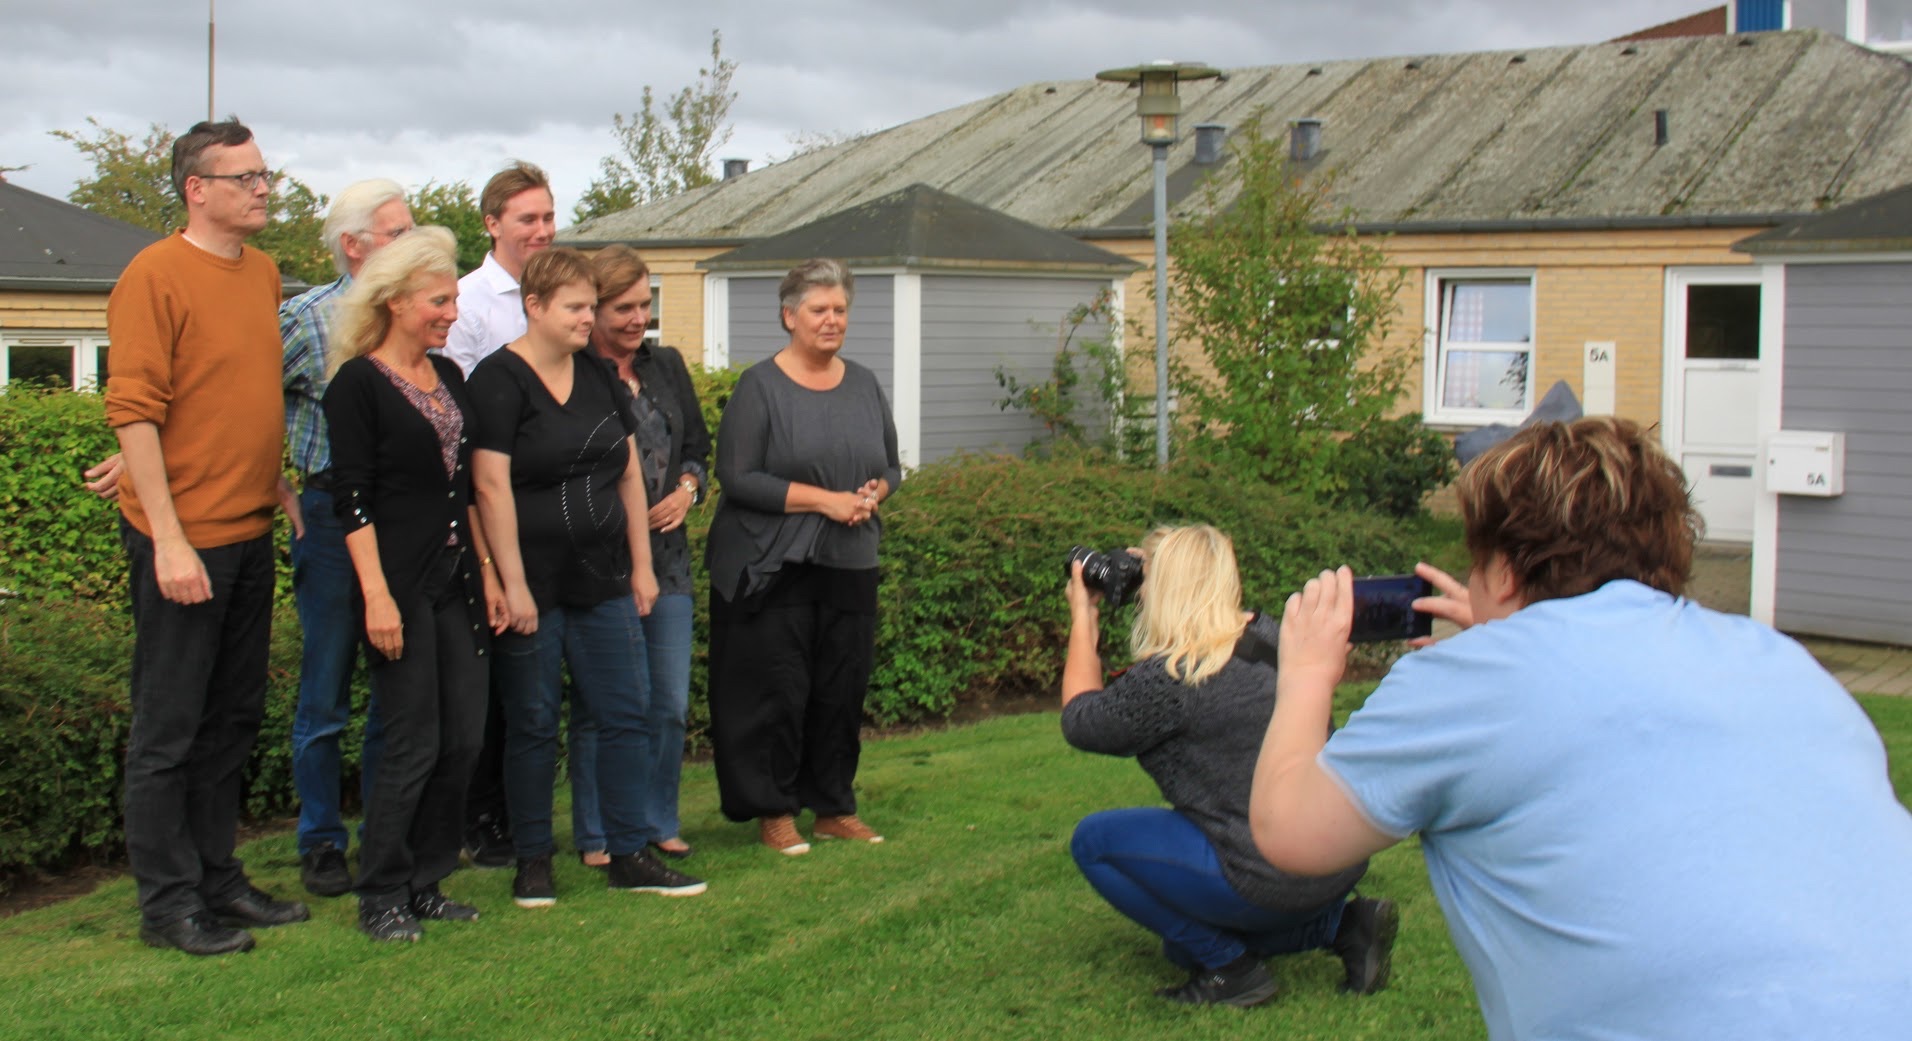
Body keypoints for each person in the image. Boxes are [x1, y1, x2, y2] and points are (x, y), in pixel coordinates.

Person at [1250, 417, 1912, 1040]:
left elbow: (1289, 832)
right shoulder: (1782, 661)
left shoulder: (1471, 678)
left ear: (1503, 571)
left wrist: (1306, 672)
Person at [103, 118, 308, 956]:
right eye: (245, 177)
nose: (263, 189)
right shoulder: (153, 275)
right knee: (169, 729)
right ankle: (169, 905)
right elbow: (135, 411)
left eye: (265, 175)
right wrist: (168, 539)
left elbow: (233, 397)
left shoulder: (261, 275)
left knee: (232, 719)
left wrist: (281, 487)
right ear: (197, 189)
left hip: (248, 531)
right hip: (181, 544)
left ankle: (220, 880)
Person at [1061, 525, 1391, 1008]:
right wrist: (1155, 561)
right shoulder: (1269, 634)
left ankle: (1232, 971)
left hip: (1267, 873)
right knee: (1177, 946)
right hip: (1333, 855)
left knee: (1095, 842)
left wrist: (1083, 613)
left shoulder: (1175, 677)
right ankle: (1344, 925)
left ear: (1166, 589)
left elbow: (1081, 719)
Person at [469, 248, 707, 907]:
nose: (587, 318)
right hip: (535, 584)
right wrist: (512, 584)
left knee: (627, 712)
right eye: (576, 307)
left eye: (588, 307)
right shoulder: (498, 380)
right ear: (535, 306)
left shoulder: (596, 375)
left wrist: (640, 567)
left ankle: (630, 852)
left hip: (604, 579)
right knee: (535, 721)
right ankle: (532, 861)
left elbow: (628, 471)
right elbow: (489, 485)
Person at [322, 226, 508, 941]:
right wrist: (375, 595)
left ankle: (427, 878)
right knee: (410, 740)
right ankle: (381, 890)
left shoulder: (451, 379)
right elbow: (354, 497)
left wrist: (488, 573)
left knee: (463, 736)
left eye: (454, 299)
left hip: (456, 578)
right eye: (438, 300)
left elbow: (462, 490)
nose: (451, 313)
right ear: (394, 301)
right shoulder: (358, 384)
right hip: (396, 582)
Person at [705, 258, 901, 855]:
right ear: (789, 316)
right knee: (776, 693)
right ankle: (775, 810)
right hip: (772, 563)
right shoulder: (759, 387)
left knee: (840, 689)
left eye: (840, 309)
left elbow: (891, 464)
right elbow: (737, 476)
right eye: (819, 310)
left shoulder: (865, 383)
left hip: (849, 558)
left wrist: (874, 493)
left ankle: (834, 807)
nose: (832, 320)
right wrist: (826, 502)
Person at [280, 178, 415, 898]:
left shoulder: (411, 316)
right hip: (332, 517)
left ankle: (384, 836)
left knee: (396, 685)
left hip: (399, 519)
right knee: (328, 688)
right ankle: (322, 840)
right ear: (354, 245)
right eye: (397, 232)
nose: (410, 239)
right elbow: (241, 394)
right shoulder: (306, 319)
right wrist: (280, 483)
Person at [569, 246, 710, 866]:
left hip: (670, 559)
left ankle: (658, 818)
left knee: (668, 703)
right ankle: (598, 831)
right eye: (622, 307)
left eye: (645, 304)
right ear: (593, 307)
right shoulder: (572, 373)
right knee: (604, 705)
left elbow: (698, 448)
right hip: (601, 562)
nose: (636, 318)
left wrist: (687, 491)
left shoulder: (667, 365)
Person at [442, 161, 556, 869]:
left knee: (532, 685)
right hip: (485, 506)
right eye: (527, 219)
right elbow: (450, 413)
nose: (542, 230)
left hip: (549, 513)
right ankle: (478, 818)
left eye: (548, 217)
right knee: (489, 685)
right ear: (491, 224)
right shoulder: (469, 303)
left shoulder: (563, 287)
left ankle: (523, 813)